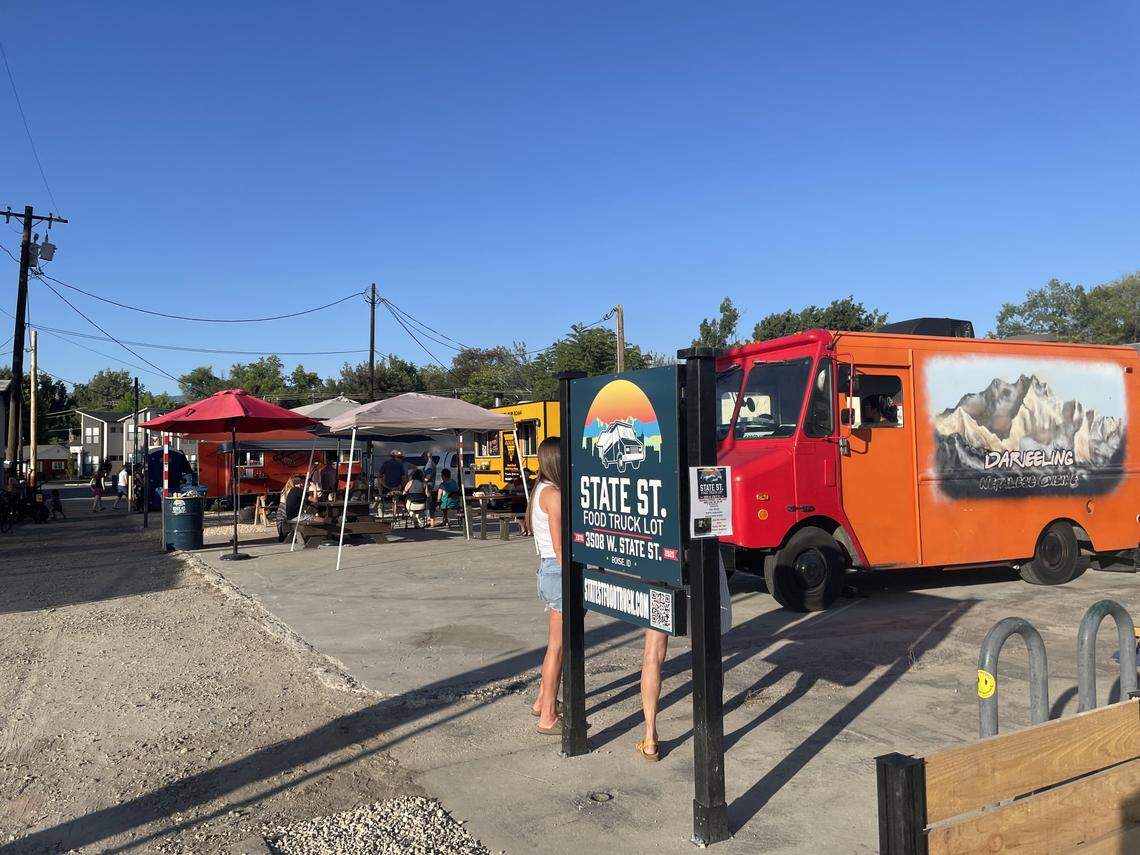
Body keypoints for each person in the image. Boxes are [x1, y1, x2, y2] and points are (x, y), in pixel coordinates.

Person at [528, 437, 563, 734]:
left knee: (554, 645)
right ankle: (548, 716)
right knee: (557, 647)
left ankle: (542, 700)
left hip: (545, 570)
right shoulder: (554, 494)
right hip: (557, 570)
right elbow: (560, 547)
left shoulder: (539, 489)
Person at [276, 475, 305, 542]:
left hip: (281, 505)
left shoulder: (285, 488)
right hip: (286, 505)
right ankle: (286, 535)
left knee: (280, 521)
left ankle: (281, 535)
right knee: (286, 520)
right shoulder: (293, 490)